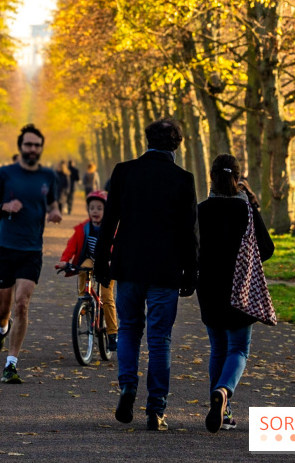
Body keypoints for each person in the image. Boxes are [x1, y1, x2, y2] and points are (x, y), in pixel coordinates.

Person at [93, 118, 198, 431]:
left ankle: (128, 385)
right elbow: (189, 231)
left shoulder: (124, 171)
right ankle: (156, 410)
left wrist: (101, 262)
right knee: (160, 339)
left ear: (147, 140)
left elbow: (109, 221)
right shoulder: (183, 178)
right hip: (166, 270)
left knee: (128, 329)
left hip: (129, 266)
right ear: (176, 146)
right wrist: (191, 271)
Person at [196, 154, 274, 433]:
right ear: (237, 178)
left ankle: (222, 410)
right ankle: (224, 390)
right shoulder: (246, 210)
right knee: (238, 348)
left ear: (211, 177)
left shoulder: (201, 210)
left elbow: (192, 249)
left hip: (209, 287)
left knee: (218, 348)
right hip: (241, 286)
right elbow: (267, 248)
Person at [0, 124, 62, 384]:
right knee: (2, 310)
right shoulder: (4, 174)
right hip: (4, 247)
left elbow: (52, 201)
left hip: (31, 250)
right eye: (28, 144)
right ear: (21, 146)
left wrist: (55, 210)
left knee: (22, 305)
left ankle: (11, 364)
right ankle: (1, 329)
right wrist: (3, 206)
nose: (32, 149)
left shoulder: (48, 176)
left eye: (37, 145)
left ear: (41, 148)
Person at [56, 190, 118, 351]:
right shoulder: (83, 228)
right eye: (92, 208)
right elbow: (72, 245)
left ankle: (112, 334)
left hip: (107, 262)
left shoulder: (112, 228)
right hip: (91, 259)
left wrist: (115, 261)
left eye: (99, 208)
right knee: (83, 267)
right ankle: (84, 296)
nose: (95, 211)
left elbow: (119, 247)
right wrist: (64, 260)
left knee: (107, 297)